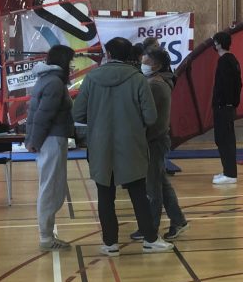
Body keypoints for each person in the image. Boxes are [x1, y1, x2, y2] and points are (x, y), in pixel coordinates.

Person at [72, 37, 173, 255]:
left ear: (108, 54)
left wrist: (98, 119)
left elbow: (77, 113)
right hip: (132, 144)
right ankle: (150, 239)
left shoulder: (91, 78)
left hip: (100, 144)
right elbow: (150, 116)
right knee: (138, 194)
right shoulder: (138, 79)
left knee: (105, 195)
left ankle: (110, 244)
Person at [130, 47, 188, 241]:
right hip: (156, 139)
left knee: (153, 189)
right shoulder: (158, 81)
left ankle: (150, 228)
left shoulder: (155, 85)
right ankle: (178, 220)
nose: (143, 65)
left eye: (146, 62)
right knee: (161, 184)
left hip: (154, 141)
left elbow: (146, 115)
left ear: (157, 65)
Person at [25, 44, 75, 252]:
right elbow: (43, 116)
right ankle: (46, 237)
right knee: (50, 188)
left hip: (51, 139)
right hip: (52, 140)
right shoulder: (54, 82)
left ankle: (47, 234)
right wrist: (34, 141)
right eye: (70, 61)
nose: (72, 65)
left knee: (52, 187)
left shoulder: (47, 79)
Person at [211, 31, 242, 185]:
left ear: (219, 44)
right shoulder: (231, 59)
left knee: (225, 140)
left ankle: (230, 174)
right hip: (226, 107)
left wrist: (227, 103)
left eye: (215, 42)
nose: (214, 44)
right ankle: (227, 171)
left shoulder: (225, 61)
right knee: (223, 139)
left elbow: (228, 85)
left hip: (224, 107)